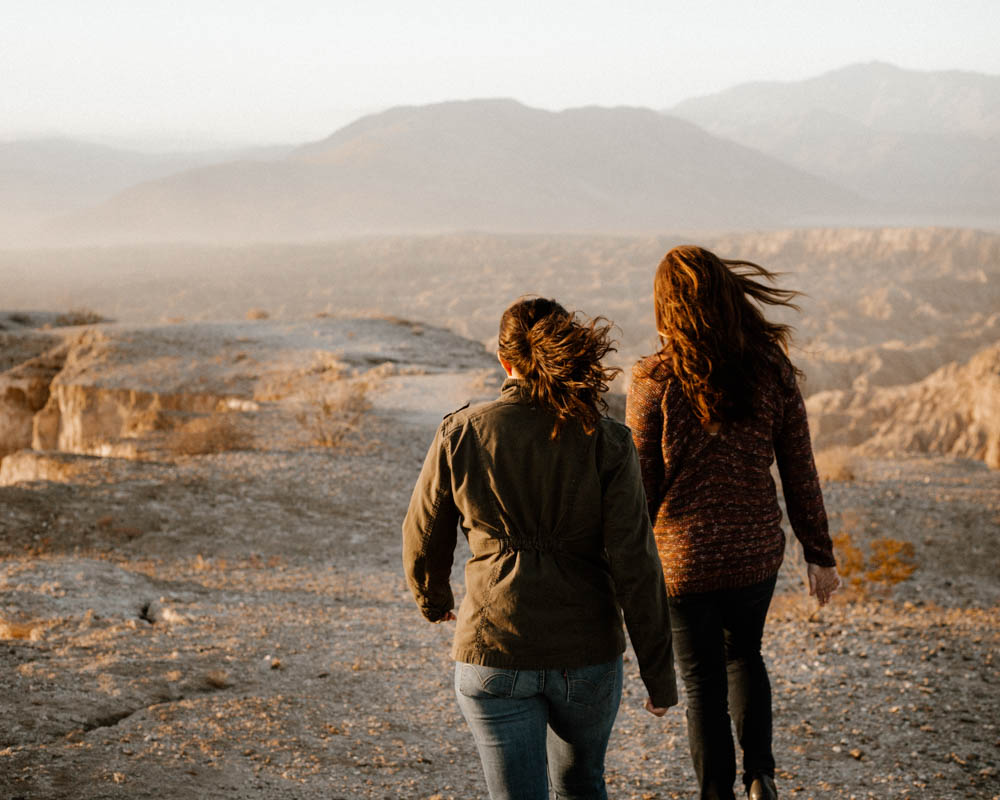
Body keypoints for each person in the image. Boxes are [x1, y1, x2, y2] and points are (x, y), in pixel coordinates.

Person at [402, 297, 678, 800]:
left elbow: (421, 536)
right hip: (587, 654)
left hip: (493, 648)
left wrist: (434, 601)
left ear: (505, 361)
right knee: (582, 786)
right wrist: (659, 674)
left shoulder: (460, 432)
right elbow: (636, 563)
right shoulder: (608, 440)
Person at [626, 246, 841, 800]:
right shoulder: (770, 369)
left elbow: (641, 489)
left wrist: (624, 569)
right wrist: (818, 553)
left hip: (683, 560)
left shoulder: (652, 380)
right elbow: (800, 467)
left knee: (701, 685)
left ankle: (716, 793)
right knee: (746, 655)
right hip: (754, 553)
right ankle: (760, 777)